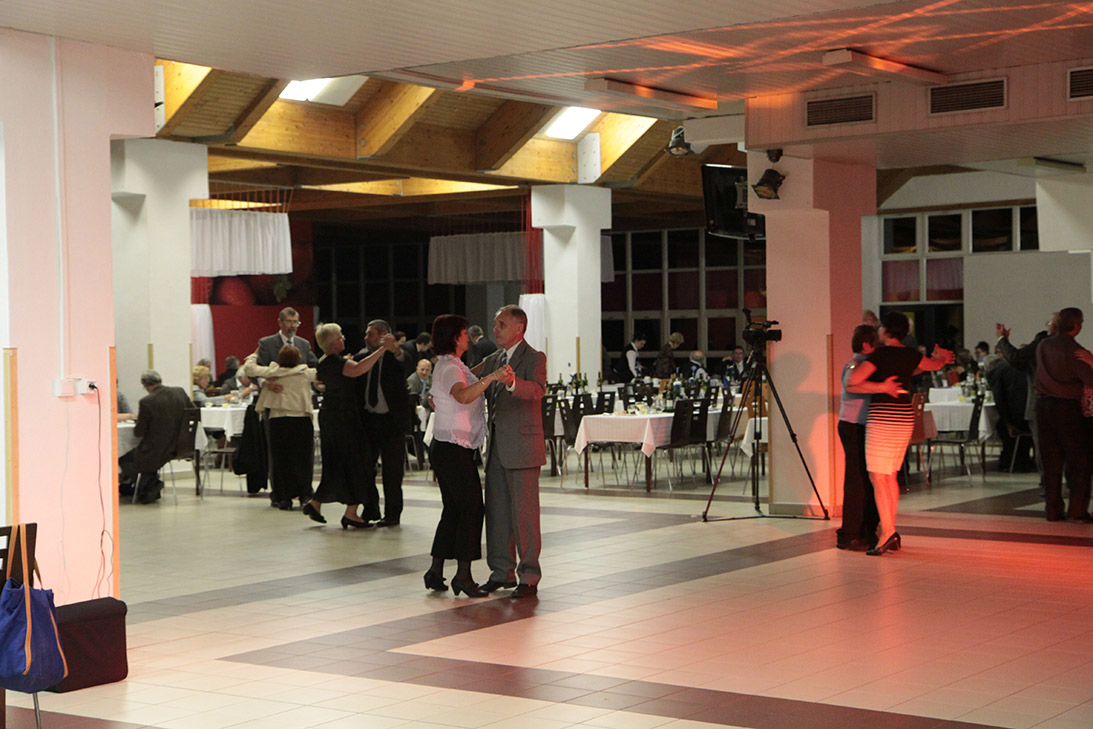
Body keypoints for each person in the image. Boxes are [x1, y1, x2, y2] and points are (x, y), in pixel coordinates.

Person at [847, 312, 952, 555]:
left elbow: (852, 382)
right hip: (904, 416)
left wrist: (882, 387)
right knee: (890, 475)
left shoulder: (879, 355)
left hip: (883, 416)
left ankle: (887, 533)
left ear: (885, 331)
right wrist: (941, 358)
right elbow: (934, 365)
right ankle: (890, 531)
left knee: (878, 476)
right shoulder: (911, 355)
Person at [425, 314, 511, 598]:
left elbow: (464, 381)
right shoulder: (450, 367)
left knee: (454, 509)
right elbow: (463, 395)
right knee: (472, 509)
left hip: (448, 446)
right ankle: (463, 575)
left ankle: (436, 570)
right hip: (452, 447)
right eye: (463, 332)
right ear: (455, 337)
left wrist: (489, 369)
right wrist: (492, 377)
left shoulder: (452, 364)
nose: (467, 336)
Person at [479, 305, 547, 598]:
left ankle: (529, 576)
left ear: (519, 328)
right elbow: (470, 382)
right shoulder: (493, 359)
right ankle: (500, 572)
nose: (495, 330)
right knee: (496, 513)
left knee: (525, 516)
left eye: (501, 325)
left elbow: (537, 390)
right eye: (495, 324)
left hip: (523, 448)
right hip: (496, 446)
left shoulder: (534, 357)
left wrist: (512, 383)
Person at [302, 323, 386, 528]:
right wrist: (381, 350)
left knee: (336, 461)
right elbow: (359, 369)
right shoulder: (337, 362)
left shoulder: (325, 361)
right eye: (340, 336)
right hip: (343, 417)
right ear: (333, 342)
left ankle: (316, 503)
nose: (344, 339)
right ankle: (350, 512)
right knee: (356, 461)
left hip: (331, 415)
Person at [243, 345, 317, 510]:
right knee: (303, 459)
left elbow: (249, 369)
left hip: (279, 419)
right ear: (298, 359)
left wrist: (254, 354)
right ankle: (305, 494)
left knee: (281, 460)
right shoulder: (305, 373)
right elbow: (323, 373)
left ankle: (284, 497)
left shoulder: (273, 372)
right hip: (301, 419)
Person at [356, 319, 412, 526]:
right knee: (365, 468)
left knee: (392, 471)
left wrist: (394, 348)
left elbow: (408, 362)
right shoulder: (362, 357)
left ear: (383, 335)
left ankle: (392, 514)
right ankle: (370, 509)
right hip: (368, 420)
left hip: (391, 421)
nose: (366, 337)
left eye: (370, 333)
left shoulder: (396, 356)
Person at [1039, 308, 1093, 522]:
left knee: (1050, 462)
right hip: (1068, 408)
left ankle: (1053, 510)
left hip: (1043, 406)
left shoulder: (1043, 345)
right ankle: (1077, 510)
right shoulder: (1076, 351)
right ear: (1077, 326)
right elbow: (1090, 380)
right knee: (1079, 461)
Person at [837, 325, 880, 551]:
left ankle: (864, 529)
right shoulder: (855, 365)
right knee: (856, 480)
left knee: (864, 479)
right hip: (853, 426)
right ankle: (849, 533)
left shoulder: (862, 364)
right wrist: (883, 387)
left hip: (858, 425)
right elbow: (850, 384)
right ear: (866, 345)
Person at [120, 370, 190, 503]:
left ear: (146, 385)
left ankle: (148, 486)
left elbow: (139, 432)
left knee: (124, 457)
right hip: (180, 445)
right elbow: (192, 411)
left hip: (156, 450)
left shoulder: (147, 401)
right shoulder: (179, 392)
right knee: (142, 456)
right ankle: (149, 486)